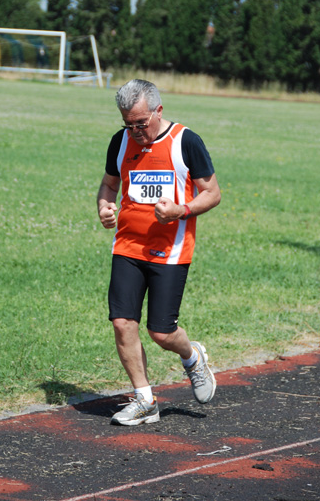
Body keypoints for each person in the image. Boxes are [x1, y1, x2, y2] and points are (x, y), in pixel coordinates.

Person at [97, 79, 221, 426]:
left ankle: (192, 355)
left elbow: (212, 193)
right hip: (127, 245)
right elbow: (109, 184)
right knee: (123, 323)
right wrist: (105, 207)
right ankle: (145, 400)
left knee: (161, 333)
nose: (135, 131)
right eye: (128, 124)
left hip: (170, 250)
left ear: (158, 111)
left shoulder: (186, 141)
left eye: (141, 123)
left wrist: (181, 210)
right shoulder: (120, 142)